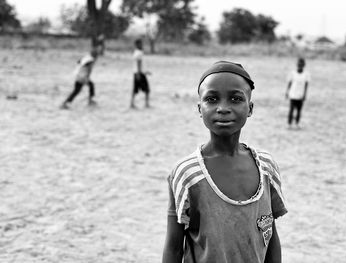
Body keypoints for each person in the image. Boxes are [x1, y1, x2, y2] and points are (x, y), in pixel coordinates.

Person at [162, 61, 288, 263]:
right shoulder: (187, 173)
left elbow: (270, 236)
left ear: (250, 108)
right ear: (199, 108)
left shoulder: (266, 167)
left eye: (236, 99)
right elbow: (173, 248)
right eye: (211, 99)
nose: (222, 108)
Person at [285, 57, 310, 129]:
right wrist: (287, 92)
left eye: (301, 64)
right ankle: (289, 124)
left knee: (299, 110)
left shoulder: (306, 74)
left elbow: (306, 85)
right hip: (293, 94)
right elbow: (289, 83)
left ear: (303, 65)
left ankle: (297, 123)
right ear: (297, 65)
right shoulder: (293, 73)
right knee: (291, 110)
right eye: (299, 64)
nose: (300, 66)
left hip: (300, 95)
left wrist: (305, 94)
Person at [130, 39, 151, 108]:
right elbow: (139, 63)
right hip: (140, 74)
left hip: (136, 73)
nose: (142, 45)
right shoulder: (139, 53)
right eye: (141, 44)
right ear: (137, 45)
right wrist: (139, 73)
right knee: (147, 89)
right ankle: (146, 103)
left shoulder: (136, 52)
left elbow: (140, 64)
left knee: (135, 89)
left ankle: (132, 103)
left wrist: (146, 71)